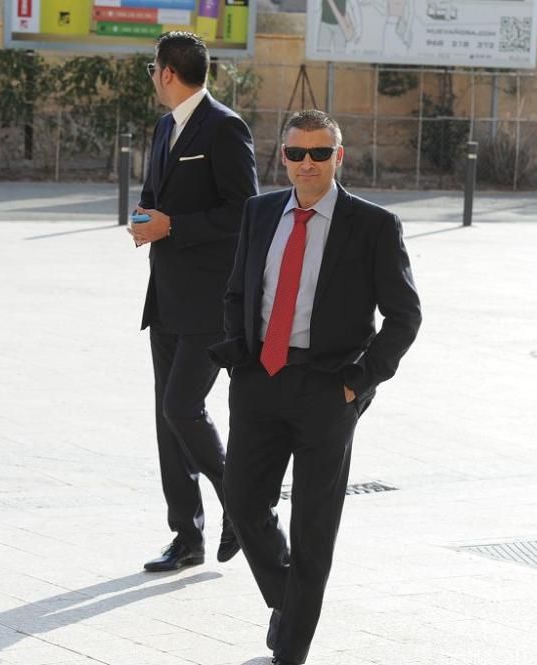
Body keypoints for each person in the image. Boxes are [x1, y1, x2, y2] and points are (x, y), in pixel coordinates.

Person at [210, 110, 421, 664]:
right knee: (241, 499)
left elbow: (405, 316)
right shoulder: (259, 213)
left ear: (338, 157)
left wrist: (359, 382)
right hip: (260, 380)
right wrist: (240, 358)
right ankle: (291, 601)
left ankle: (292, 646)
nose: (307, 164)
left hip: (330, 389)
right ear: (282, 157)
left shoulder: (373, 225)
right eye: (296, 153)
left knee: (313, 522)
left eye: (320, 154)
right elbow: (237, 293)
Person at [129, 31, 258, 572]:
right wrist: (143, 221)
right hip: (166, 296)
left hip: (210, 300)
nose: (152, 77)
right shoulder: (164, 127)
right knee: (168, 419)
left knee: (183, 406)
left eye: (152, 69)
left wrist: (173, 226)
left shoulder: (225, 128)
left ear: (167, 72)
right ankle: (187, 537)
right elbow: (154, 197)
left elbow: (245, 211)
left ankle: (242, 501)